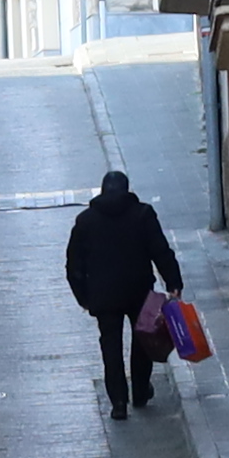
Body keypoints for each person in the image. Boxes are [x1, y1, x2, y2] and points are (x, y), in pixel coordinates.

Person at [63, 168, 188, 416]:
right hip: (138, 290)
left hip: (103, 296)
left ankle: (118, 402)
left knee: (110, 347)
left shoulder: (86, 220)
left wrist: (84, 297)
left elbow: (73, 264)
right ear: (127, 189)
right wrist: (173, 282)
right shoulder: (142, 215)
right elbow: (161, 251)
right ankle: (140, 391)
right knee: (142, 340)